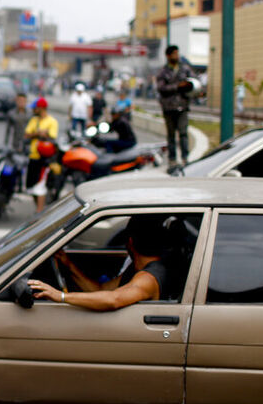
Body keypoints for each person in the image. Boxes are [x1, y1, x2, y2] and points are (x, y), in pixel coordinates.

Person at [28, 216, 167, 310]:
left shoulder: (148, 278)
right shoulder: (137, 268)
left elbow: (114, 299)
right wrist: (69, 265)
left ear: (130, 242)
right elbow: (100, 290)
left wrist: (61, 297)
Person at [156, 45, 196, 171]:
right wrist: (178, 86)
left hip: (182, 106)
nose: (176, 56)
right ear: (168, 56)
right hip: (168, 108)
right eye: (174, 54)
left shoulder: (185, 69)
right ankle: (172, 159)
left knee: (183, 133)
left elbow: (194, 81)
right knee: (171, 135)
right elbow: (161, 88)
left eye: (177, 53)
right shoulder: (163, 72)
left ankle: (185, 158)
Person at [24, 97, 58, 214]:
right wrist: (37, 133)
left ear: (41, 108)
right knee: (31, 186)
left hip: (44, 159)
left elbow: (52, 136)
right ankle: (39, 209)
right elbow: (27, 134)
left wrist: (44, 134)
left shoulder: (52, 121)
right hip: (33, 156)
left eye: (35, 108)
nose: (33, 110)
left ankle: (40, 211)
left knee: (40, 185)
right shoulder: (34, 120)